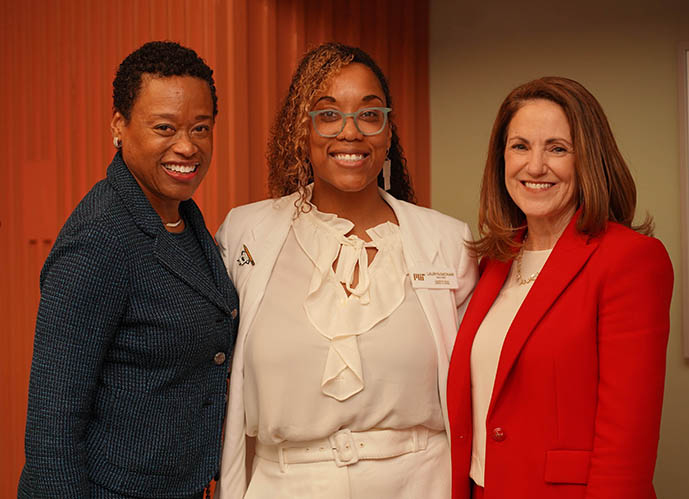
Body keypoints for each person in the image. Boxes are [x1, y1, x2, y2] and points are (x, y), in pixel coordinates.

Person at [213, 42, 478, 499]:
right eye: (329, 114)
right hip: (285, 484)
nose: (351, 132)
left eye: (370, 114)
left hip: (419, 483)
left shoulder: (448, 243)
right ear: (302, 128)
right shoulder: (246, 234)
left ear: (389, 131)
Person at [18, 41, 238, 498]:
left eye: (201, 127)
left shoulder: (180, 216)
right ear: (119, 126)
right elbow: (52, 421)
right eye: (164, 127)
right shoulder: (100, 237)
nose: (187, 146)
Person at [446, 76, 673, 499]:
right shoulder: (492, 262)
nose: (535, 166)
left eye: (557, 148)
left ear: (589, 159)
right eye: (520, 146)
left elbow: (627, 443)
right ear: (501, 159)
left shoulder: (630, 260)